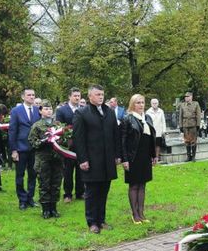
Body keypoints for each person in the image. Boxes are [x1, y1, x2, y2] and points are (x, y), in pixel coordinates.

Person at [73, 85, 121, 234]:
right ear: (90, 96)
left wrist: (117, 155)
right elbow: (78, 139)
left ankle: (101, 219)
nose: (101, 96)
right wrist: (82, 159)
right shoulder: (82, 113)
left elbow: (116, 135)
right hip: (91, 160)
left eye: (102, 94)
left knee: (104, 191)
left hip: (107, 160)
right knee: (92, 192)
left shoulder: (109, 112)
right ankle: (92, 222)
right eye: (97, 94)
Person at [121, 94, 156, 224]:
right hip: (133, 157)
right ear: (132, 104)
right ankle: (134, 214)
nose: (141, 105)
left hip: (145, 156)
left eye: (142, 102)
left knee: (143, 185)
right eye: (138, 103)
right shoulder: (127, 119)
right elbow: (122, 141)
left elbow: (151, 138)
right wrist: (124, 159)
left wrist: (154, 155)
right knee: (134, 185)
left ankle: (141, 213)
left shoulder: (147, 118)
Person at [28, 100, 64, 219]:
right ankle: (45, 209)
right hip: (43, 159)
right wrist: (44, 141)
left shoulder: (58, 124)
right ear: (40, 111)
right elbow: (32, 142)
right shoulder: (37, 125)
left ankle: (53, 208)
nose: (49, 111)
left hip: (57, 159)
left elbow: (64, 139)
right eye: (46, 109)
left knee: (56, 183)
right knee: (44, 184)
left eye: (50, 109)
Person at [9, 88, 41, 210]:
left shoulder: (38, 111)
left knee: (33, 175)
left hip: (34, 149)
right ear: (23, 97)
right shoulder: (16, 111)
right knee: (20, 175)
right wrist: (13, 150)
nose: (32, 97)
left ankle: (30, 198)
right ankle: (22, 200)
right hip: (20, 148)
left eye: (33, 95)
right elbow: (12, 131)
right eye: (29, 95)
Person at [56, 88, 85, 203]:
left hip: (81, 144)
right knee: (68, 170)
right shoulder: (62, 110)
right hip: (68, 145)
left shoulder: (84, 109)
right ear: (69, 96)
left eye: (79, 96)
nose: (77, 98)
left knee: (81, 169)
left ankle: (80, 192)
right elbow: (59, 126)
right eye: (75, 96)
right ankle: (67, 194)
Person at [178, 92, 202, 161]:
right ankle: (188, 156)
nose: (186, 97)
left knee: (193, 141)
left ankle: (193, 156)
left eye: (187, 96)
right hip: (185, 125)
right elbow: (180, 116)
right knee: (187, 141)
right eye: (185, 96)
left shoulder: (196, 104)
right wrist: (180, 126)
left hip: (193, 125)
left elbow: (198, 115)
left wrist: (198, 125)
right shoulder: (182, 105)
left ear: (191, 97)